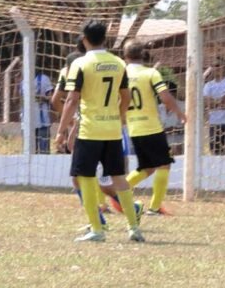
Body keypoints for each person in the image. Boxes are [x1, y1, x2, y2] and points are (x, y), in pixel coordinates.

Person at [54, 20, 144, 243]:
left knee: (84, 176)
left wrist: (61, 131)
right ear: (105, 39)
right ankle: (133, 228)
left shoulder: (80, 64)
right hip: (112, 129)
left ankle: (97, 229)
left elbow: (72, 100)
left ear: (84, 38)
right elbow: (126, 96)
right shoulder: (118, 63)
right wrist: (120, 117)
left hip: (89, 130)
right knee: (119, 178)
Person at [123, 40, 186, 216]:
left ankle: (118, 192)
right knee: (164, 164)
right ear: (143, 54)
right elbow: (165, 97)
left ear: (126, 56)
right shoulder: (151, 73)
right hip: (151, 126)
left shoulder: (121, 74)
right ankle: (155, 207)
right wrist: (180, 114)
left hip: (133, 127)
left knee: (147, 168)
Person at [19, 67, 54, 154]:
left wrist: (42, 98)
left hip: (42, 122)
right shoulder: (23, 81)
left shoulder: (44, 79)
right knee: (28, 152)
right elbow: (16, 100)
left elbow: (51, 98)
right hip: (27, 122)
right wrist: (17, 82)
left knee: (44, 153)